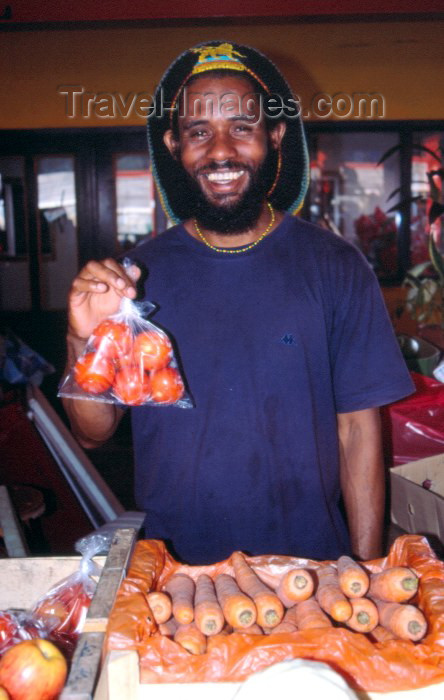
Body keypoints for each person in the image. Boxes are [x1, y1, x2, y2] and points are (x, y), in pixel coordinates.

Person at [63, 41, 414, 566]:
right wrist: (81, 336)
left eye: (242, 127)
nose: (220, 151)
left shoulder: (336, 268)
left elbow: (359, 432)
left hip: (311, 569)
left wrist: (364, 571)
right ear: (174, 144)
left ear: (274, 137)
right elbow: (93, 434)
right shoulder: (136, 277)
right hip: (176, 575)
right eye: (199, 132)